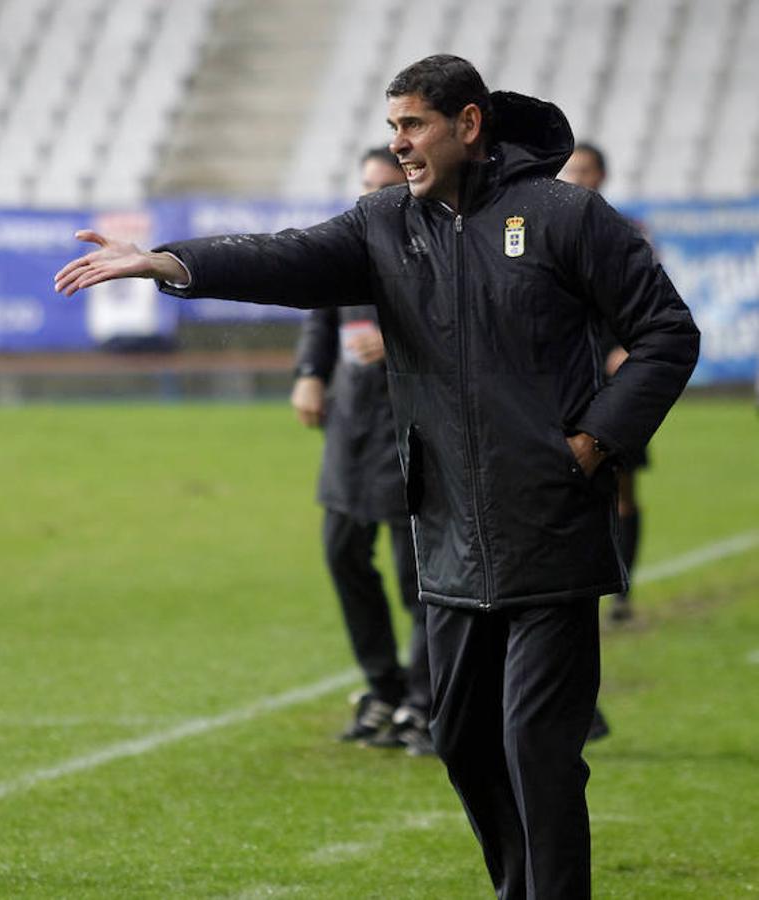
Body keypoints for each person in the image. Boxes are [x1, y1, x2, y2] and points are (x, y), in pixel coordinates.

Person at [55, 55, 699, 899]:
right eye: (392, 127)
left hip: (550, 529)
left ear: (468, 124)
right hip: (450, 533)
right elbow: (283, 259)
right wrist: (169, 264)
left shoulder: (564, 215)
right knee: (463, 742)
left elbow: (667, 334)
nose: (398, 145)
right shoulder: (384, 224)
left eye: (413, 126)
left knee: (537, 749)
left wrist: (590, 444)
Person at [290, 147, 432, 754]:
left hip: (413, 425)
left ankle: (427, 703)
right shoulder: (352, 241)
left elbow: (466, 324)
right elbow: (320, 312)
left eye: (383, 184)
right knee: (343, 555)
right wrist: (308, 372)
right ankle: (384, 686)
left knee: (418, 577)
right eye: (365, 185)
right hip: (352, 424)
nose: (372, 195)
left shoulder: (435, 244)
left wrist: (398, 337)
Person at [559, 142, 645, 624]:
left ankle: (622, 589)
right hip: (572, 376)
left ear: (602, 176)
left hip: (616, 379)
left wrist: (626, 348)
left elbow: (647, 302)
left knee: (622, 486)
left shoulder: (623, 232)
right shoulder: (553, 229)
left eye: (585, 170)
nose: (576, 177)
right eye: (570, 169)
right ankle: (576, 586)